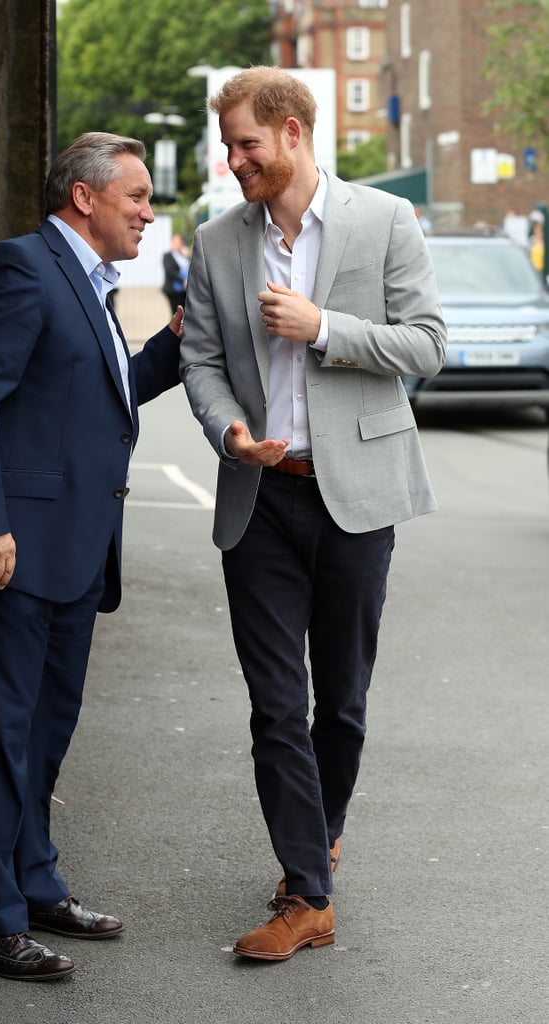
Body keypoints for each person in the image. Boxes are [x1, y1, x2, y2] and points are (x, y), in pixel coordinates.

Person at [179, 67, 446, 962]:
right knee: (273, 704)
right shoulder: (218, 242)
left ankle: (316, 842)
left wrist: (323, 325)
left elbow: (426, 345)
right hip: (260, 497)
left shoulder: (383, 221)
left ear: (292, 135)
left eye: (246, 144)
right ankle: (306, 893)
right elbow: (202, 361)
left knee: (344, 701)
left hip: (357, 497)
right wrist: (229, 431)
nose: (234, 160)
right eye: (228, 145)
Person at [0, 132, 183, 982]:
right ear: (85, 197)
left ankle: (33, 882)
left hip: (74, 553)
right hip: (11, 553)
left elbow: (99, 397)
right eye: (137, 196)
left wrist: (178, 342)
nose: (150, 211)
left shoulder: (93, 286)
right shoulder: (19, 267)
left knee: (41, 737)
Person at [162, 231, 190, 313]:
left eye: (179, 241)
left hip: (185, 290)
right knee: (176, 313)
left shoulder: (184, 255)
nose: (177, 244)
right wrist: (183, 280)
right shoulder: (167, 256)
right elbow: (170, 271)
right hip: (174, 290)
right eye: (175, 241)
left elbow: (192, 267)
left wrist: (188, 256)